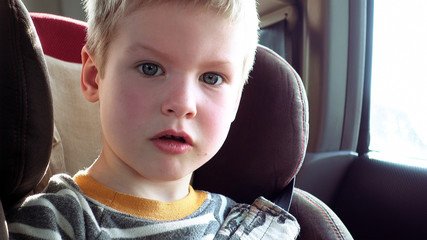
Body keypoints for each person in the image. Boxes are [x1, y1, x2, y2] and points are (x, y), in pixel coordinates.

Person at [7, 0, 300, 239]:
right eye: (150, 68)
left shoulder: (244, 225)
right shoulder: (53, 223)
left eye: (211, 78)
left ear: (236, 101)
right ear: (94, 77)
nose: (182, 104)